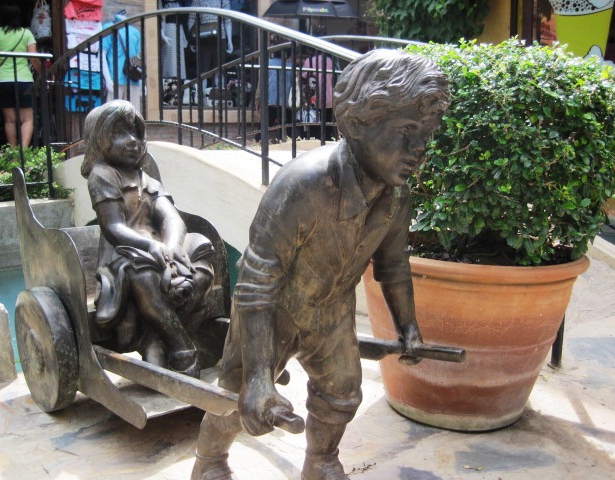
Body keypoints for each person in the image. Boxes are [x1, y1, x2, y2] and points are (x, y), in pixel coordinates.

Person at [191, 49, 450, 480]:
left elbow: (393, 265)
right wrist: (259, 377)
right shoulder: (304, 184)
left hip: (331, 312)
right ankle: (210, 461)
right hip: (271, 312)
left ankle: (321, 461)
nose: (419, 147)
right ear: (358, 123)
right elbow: (255, 285)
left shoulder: (395, 195)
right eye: (406, 131)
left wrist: (408, 328)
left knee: (342, 393)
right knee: (238, 400)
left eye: (426, 133)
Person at [81, 99, 215, 377]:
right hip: (125, 253)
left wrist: (173, 246)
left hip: (162, 247)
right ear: (99, 139)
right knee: (144, 275)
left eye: (135, 132)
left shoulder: (147, 178)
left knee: (202, 262)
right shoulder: (102, 175)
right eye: (119, 133)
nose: (132, 141)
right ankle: (181, 347)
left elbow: (171, 218)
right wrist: (152, 246)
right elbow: (113, 227)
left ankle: (154, 338)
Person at [0, 4, 40, 147]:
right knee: (27, 119)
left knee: (9, 120)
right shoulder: (26, 33)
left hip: (3, 80)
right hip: (24, 80)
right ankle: (23, 152)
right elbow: (34, 58)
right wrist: (42, 74)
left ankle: (14, 151)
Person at [101, 11, 142, 113]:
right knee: (112, 115)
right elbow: (102, 55)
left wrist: (141, 82)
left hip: (133, 79)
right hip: (115, 80)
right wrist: (107, 79)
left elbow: (137, 58)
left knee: (133, 115)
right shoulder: (108, 28)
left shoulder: (135, 32)